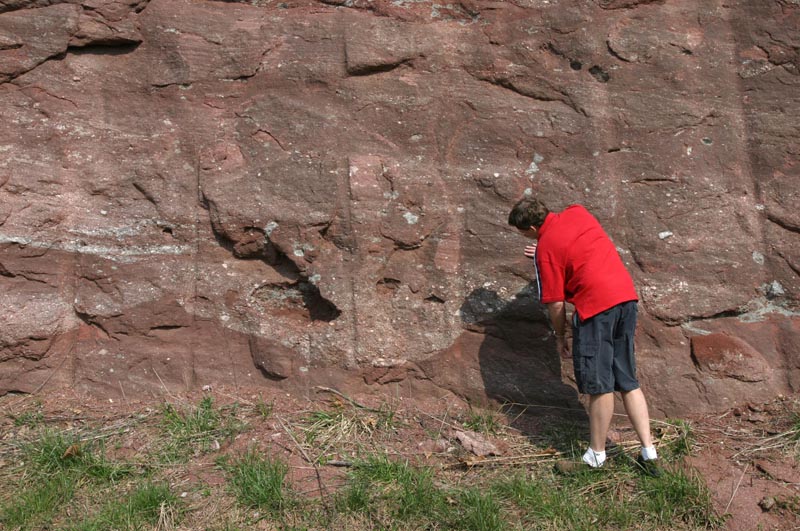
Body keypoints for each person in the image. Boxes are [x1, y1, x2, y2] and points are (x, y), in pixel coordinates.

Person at [508, 196, 660, 475]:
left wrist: (560, 335)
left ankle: (595, 458)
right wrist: (546, 250)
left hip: (596, 309)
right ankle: (649, 454)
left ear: (530, 229)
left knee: (600, 385)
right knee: (626, 379)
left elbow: (555, 304)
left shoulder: (545, 251)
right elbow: (574, 247)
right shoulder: (577, 213)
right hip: (625, 299)